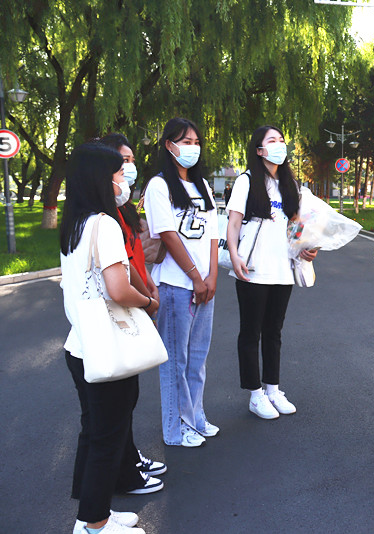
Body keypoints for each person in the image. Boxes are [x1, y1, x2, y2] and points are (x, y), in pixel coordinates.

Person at [60, 142, 154, 533]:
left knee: (94, 430)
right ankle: (95, 524)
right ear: (102, 179)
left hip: (80, 344)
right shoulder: (105, 224)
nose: (124, 179)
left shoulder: (75, 224)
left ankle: (93, 512)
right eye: (119, 172)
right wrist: (147, 301)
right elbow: (118, 288)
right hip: (107, 345)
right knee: (108, 435)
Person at [226, 125, 317, 419]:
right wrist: (234, 255)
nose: (279, 145)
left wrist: (306, 247)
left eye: (281, 140)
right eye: (272, 140)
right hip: (253, 269)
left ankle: (273, 389)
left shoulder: (291, 185)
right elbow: (233, 223)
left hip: (282, 269)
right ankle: (255, 394)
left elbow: (296, 226)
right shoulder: (247, 181)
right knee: (251, 331)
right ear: (259, 150)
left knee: (274, 332)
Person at [143, 118, 219, 448]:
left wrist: (212, 276)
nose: (192, 147)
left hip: (204, 287)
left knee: (197, 359)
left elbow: (213, 234)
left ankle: (196, 416)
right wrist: (195, 277)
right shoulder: (159, 186)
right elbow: (168, 235)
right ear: (169, 145)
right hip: (176, 286)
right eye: (185, 142)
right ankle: (176, 428)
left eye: (196, 142)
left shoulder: (202, 186)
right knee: (176, 361)